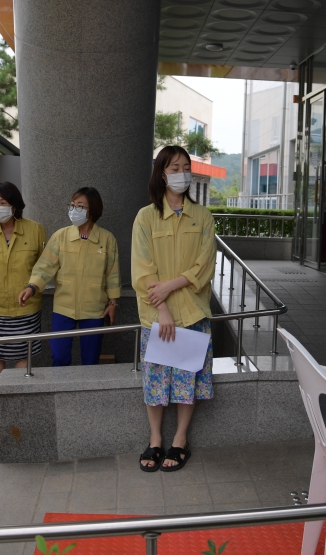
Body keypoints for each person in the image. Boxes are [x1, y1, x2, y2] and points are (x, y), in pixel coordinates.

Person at [132, 146, 216, 472]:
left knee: (186, 381)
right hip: (157, 316)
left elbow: (204, 266)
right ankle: (155, 439)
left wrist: (171, 285)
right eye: (174, 167)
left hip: (193, 313)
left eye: (186, 166)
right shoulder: (146, 217)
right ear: (162, 173)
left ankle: (180, 439)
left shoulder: (203, 217)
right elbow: (142, 270)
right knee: (155, 381)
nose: (181, 172)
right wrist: (162, 307)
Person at [19, 187, 120, 367]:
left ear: (93, 210)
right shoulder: (61, 236)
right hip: (63, 308)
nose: (74, 210)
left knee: (90, 360)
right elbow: (45, 266)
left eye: (80, 206)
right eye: (72, 205)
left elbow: (112, 273)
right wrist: (32, 287)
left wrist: (113, 303)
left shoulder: (107, 239)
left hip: (94, 309)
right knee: (59, 356)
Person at [0, 181, 46, 427]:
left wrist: (32, 286)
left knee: (22, 355)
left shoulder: (35, 230)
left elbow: (42, 266)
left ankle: (15, 401)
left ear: (15, 205)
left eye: (3, 203)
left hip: (26, 305)